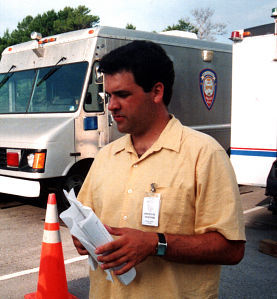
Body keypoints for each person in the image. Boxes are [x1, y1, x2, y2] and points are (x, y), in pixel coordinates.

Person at [72, 40, 245, 298]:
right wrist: (83, 238)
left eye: (123, 95)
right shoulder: (106, 156)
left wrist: (156, 243)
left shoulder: (204, 154)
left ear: (156, 92)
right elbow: (84, 218)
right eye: (109, 96)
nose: (111, 106)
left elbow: (231, 249)